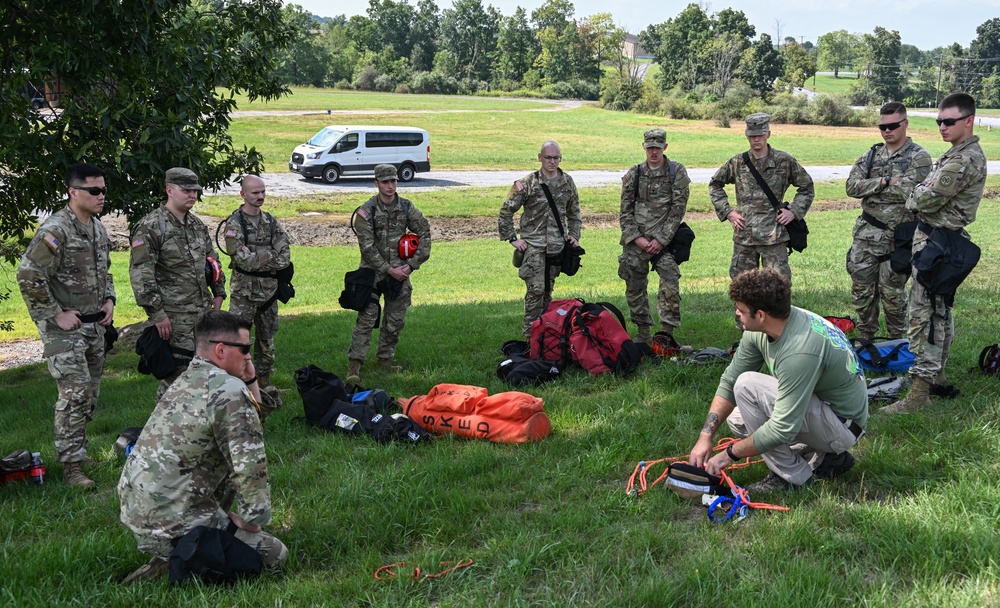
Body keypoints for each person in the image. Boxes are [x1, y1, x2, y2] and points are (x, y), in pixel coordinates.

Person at [118, 310, 287, 583]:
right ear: (220, 350)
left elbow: (249, 426)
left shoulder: (187, 378)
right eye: (244, 349)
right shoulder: (228, 389)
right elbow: (250, 464)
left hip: (139, 508)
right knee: (275, 555)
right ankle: (178, 556)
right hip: (169, 518)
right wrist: (252, 518)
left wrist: (251, 380)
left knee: (221, 462)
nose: (248, 356)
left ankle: (189, 538)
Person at [689, 269, 868, 493]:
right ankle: (824, 458)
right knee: (737, 417)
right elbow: (729, 380)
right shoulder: (770, 325)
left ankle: (791, 477)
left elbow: (782, 428)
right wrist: (706, 436)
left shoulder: (800, 352)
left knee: (747, 386)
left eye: (741, 310)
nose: (737, 313)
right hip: (825, 412)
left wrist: (728, 454)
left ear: (761, 315)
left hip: (842, 426)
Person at [882, 93, 987, 414]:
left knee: (924, 318)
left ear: (968, 121)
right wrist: (920, 190)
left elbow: (922, 200)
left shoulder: (963, 160)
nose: (942, 126)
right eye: (939, 121)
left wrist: (914, 192)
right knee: (940, 311)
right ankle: (936, 376)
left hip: (938, 244)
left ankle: (918, 394)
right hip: (938, 242)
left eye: (949, 121)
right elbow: (924, 191)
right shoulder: (957, 153)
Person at [17, 163, 116, 489]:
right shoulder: (57, 230)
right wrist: (54, 314)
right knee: (74, 395)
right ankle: (72, 467)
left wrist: (110, 301)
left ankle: (79, 450)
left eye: (103, 189)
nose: (102, 195)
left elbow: (106, 271)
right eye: (94, 190)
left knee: (90, 397)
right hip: (63, 330)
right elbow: (29, 273)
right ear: (73, 192)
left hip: (93, 327)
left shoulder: (97, 228)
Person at [130, 167, 226, 400]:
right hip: (173, 317)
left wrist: (219, 292)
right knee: (177, 375)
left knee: (204, 372)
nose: (192, 195)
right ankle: (162, 428)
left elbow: (213, 262)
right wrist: (157, 314)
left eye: (195, 190)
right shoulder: (151, 226)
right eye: (186, 190)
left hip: (202, 313)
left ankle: (195, 428)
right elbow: (142, 273)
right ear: (169, 190)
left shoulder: (196, 225)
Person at [845, 102, 931, 340]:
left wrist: (872, 188)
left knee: (892, 294)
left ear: (905, 124)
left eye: (892, 126)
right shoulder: (871, 155)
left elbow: (910, 191)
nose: (887, 131)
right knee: (862, 292)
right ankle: (866, 339)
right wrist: (884, 181)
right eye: (882, 126)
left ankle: (897, 341)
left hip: (898, 238)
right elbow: (851, 187)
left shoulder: (919, 157)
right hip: (866, 236)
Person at [346, 164, 432, 384]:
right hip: (372, 274)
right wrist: (388, 269)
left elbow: (425, 232)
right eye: (385, 182)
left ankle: (384, 359)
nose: (390, 186)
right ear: (376, 184)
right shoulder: (366, 212)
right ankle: (355, 365)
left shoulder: (406, 207)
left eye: (393, 181)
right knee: (366, 320)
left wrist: (411, 265)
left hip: (400, 273)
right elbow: (366, 247)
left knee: (395, 320)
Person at [709, 113, 814, 287]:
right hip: (744, 236)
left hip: (774, 237)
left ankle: (775, 316)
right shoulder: (737, 162)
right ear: (747, 136)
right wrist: (729, 212)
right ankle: (745, 316)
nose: (756, 139)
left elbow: (807, 187)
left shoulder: (783, 161)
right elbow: (715, 185)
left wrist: (794, 211)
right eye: (752, 135)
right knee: (742, 290)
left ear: (768, 134)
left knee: (777, 288)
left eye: (760, 134)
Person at [498, 141, 582, 337]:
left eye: (556, 158)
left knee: (547, 293)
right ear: (539, 158)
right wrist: (512, 238)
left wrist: (574, 236)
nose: (552, 162)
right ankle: (530, 339)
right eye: (548, 157)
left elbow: (574, 214)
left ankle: (546, 335)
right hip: (533, 247)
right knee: (535, 292)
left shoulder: (568, 182)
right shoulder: (527, 183)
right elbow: (506, 211)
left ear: (560, 158)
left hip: (556, 248)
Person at [618, 128, 691, 344]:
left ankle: (666, 334)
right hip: (636, 242)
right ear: (644, 147)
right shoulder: (634, 174)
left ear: (665, 147)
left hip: (664, 242)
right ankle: (642, 334)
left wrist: (661, 240)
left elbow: (678, 209)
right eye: (650, 147)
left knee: (670, 282)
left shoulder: (676, 172)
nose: (653, 152)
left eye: (657, 148)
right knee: (634, 286)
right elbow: (624, 212)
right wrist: (637, 238)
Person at [223, 175, 292, 390]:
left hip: (269, 292)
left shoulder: (270, 221)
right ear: (243, 194)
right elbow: (242, 260)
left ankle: (264, 383)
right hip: (244, 293)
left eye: (263, 191)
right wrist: (269, 255)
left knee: (267, 339)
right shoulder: (234, 224)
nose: (260, 196)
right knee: (238, 340)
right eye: (255, 192)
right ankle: (238, 384)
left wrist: (256, 255)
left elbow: (285, 257)